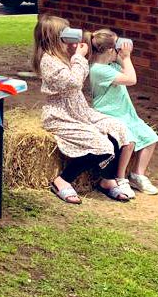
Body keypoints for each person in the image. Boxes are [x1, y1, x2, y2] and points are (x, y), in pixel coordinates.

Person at [33, 14, 134, 205]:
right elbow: (73, 82)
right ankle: (62, 180)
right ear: (54, 37)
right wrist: (79, 57)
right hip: (61, 114)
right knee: (101, 145)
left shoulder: (62, 55)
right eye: (65, 33)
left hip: (80, 110)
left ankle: (107, 179)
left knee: (118, 128)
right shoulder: (47, 60)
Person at [89, 29, 158, 195]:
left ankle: (138, 174)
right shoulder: (98, 70)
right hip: (109, 113)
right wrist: (127, 58)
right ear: (109, 50)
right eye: (117, 46)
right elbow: (131, 79)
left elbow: (127, 72)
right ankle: (121, 178)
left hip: (126, 113)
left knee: (150, 138)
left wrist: (122, 58)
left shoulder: (110, 65)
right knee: (129, 141)